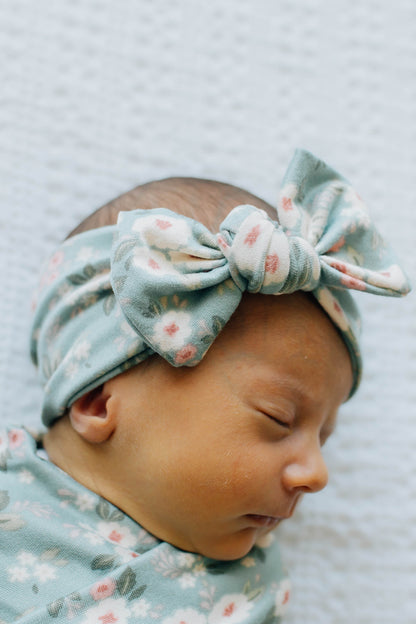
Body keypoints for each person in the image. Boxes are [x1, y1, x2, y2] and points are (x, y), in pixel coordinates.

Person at [0, 150, 410, 623]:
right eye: (279, 418)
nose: (316, 474)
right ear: (97, 401)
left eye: (323, 438)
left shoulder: (255, 590)